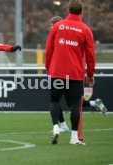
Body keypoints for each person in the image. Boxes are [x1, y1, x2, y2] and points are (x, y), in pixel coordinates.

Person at [45, 0, 95, 145]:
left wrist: (49, 68)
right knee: (75, 104)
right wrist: (90, 74)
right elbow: (90, 55)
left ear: (68, 9)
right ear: (82, 12)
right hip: (75, 73)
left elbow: (49, 50)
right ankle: (74, 138)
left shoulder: (57, 26)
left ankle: (56, 128)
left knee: (54, 101)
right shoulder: (85, 29)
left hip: (57, 72)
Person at [47, 16, 108, 133]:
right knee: (66, 102)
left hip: (60, 72)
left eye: (52, 25)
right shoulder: (59, 35)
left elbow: (51, 53)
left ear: (59, 24)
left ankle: (64, 127)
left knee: (60, 101)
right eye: (50, 25)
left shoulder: (60, 36)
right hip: (70, 73)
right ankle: (94, 103)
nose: (51, 27)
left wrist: (49, 69)